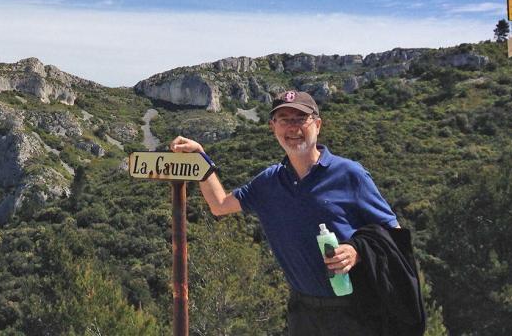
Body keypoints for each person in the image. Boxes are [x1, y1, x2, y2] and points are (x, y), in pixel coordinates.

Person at [170, 90, 401, 336]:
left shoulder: (349, 174)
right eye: (284, 119)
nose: (293, 127)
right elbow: (219, 205)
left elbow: (393, 233)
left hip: (356, 311)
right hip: (302, 313)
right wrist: (200, 157)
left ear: (318, 124)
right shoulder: (268, 182)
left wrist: (356, 251)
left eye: (301, 118)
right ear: (273, 127)